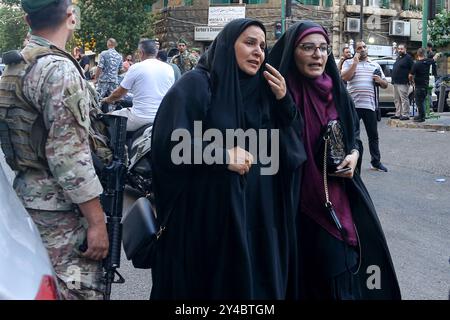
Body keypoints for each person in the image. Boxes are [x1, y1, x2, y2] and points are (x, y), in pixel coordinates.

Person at [150, 18, 305, 299]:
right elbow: (168, 143)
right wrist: (221, 155)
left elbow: (291, 147)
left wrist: (285, 102)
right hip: (209, 222)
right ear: (226, 44)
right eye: (249, 43)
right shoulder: (197, 85)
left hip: (260, 218)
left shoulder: (265, 91)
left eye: (262, 45)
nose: (259, 51)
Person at [269, 20, 401, 300]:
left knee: (341, 270)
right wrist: (282, 102)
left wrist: (354, 155)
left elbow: (354, 136)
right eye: (308, 48)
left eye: (323, 48)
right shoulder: (279, 91)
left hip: (336, 201)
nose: (318, 55)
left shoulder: (337, 93)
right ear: (293, 52)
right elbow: (280, 144)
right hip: (293, 205)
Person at [0, 0, 108, 299]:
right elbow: (69, 157)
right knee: (76, 289)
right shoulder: (58, 70)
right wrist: (97, 222)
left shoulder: (15, 64)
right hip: (59, 206)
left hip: (28, 195)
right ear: (70, 18)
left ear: (26, 19)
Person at [103, 40, 174, 131]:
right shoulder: (169, 68)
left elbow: (119, 94)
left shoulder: (136, 67)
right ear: (156, 52)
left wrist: (107, 100)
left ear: (141, 52)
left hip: (140, 118)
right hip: (162, 118)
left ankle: (114, 145)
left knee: (105, 120)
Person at [341, 41, 389, 172]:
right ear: (355, 51)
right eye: (359, 48)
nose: (362, 49)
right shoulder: (349, 63)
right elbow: (344, 78)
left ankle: (376, 161)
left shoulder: (375, 65)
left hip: (369, 106)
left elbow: (385, 84)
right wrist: (355, 64)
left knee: (373, 136)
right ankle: (351, 160)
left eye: (364, 47)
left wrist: (380, 81)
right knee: (353, 135)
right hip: (354, 106)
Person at [409, 48, 435, 122]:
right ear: (424, 54)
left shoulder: (416, 64)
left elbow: (410, 75)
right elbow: (434, 59)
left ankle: (421, 117)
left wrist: (411, 81)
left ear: (418, 54)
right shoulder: (427, 61)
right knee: (422, 101)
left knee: (419, 102)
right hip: (425, 85)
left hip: (419, 86)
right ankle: (421, 116)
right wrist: (437, 55)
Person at [391, 43, 414, 120]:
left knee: (404, 98)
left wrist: (410, 76)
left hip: (403, 82)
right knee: (396, 99)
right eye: (399, 49)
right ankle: (398, 114)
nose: (400, 50)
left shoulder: (408, 58)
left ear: (405, 49)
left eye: (401, 49)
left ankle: (406, 114)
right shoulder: (398, 58)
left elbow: (413, 69)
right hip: (395, 82)